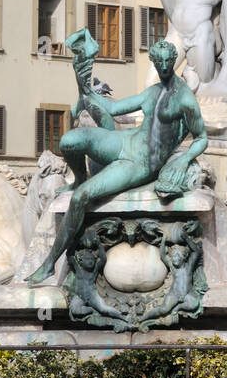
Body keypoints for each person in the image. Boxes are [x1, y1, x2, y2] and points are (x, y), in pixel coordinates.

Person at [28, 38, 209, 285]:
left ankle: (49, 263)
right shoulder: (152, 92)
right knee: (69, 141)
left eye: (169, 60)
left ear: (174, 61)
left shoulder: (185, 98)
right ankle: (80, 176)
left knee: (81, 197)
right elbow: (112, 109)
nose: (165, 65)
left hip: (141, 163)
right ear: (154, 62)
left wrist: (183, 159)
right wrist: (84, 86)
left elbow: (201, 138)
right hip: (125, 141)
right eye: (161, 61)